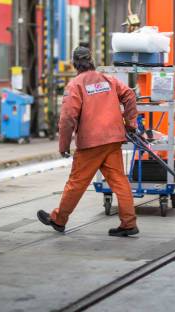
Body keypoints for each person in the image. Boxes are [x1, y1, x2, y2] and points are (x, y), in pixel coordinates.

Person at [37, 46, 139, 236]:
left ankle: (59, 220)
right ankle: (128, 223)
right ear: (92, 59)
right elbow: (130, 95)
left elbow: (67, 118)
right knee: (119, 181)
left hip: (91, 143)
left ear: (75, 63)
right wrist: (130, 123)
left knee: (77, 182)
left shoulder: (75, 85)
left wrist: (64, 145)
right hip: (113, 139)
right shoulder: (108, 79)